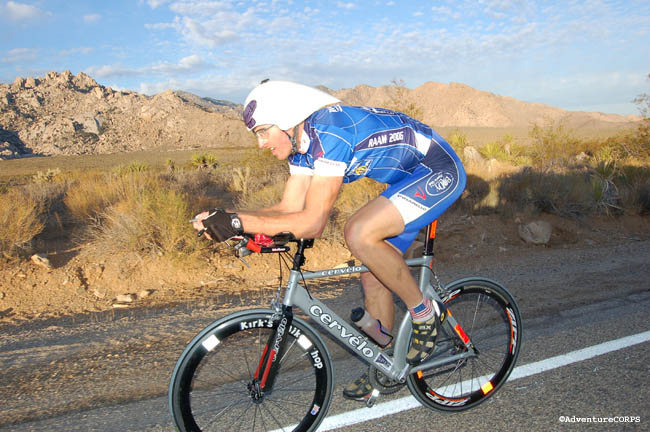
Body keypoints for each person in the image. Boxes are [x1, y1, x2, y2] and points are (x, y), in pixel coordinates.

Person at [193, 80, 466, 401]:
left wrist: (238, 222)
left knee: (358, 232)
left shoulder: (330, 132)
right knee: (373, 274)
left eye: (264, 131)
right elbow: (288, 208)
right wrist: (231, 219)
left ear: (287, 120)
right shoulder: (302, 147)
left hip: (436, 170)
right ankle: (387, 365)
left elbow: (312, 222)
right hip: (405, 182)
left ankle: (424, 313)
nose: (261, 144)